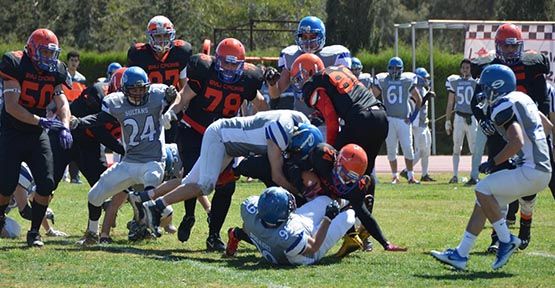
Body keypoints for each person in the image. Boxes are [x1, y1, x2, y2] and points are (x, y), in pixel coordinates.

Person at [131, 38, 268, 251]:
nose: (230, 68)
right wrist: (172, 112)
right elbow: (184, 97)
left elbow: (260, 104)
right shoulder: (205, 70)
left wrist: (261, 123)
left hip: (224, 139)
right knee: (196, 178)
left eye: (235, 64)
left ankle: (213, 235)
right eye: (226, 63)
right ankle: (186, 214)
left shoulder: (248, 80)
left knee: (226, 186)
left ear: (242, 64)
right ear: (217, 60)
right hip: (194, 131)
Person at [431, 64, 551, 270]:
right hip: (541, 169)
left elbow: (517, 141)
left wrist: (494, 161)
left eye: (486, 88)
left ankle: (506, 240)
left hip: (532, 171)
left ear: (497, 86)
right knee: (484, 202)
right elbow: (548, 128)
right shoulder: (524, 99)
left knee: (482, 188)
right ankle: (461, 254)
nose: (483, 93)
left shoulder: (502, 105)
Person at [142, 110, 311, 236]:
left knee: (189, 182)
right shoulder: (284, 127)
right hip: (221, 138)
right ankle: (156, 206)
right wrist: (300, 193)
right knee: (205, 186)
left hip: (229, 144)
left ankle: (152, 202)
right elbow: (277, 176)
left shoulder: (295, 120)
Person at [73, 66, 178, 245]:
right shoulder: (116, 103)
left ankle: (146, 223)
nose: (138, 93)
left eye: (141, 89)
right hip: (129, 162)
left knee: (151, 182)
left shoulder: (158, 94)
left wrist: (172, 99)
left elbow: (177, 102)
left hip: (153, 161)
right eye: (133, 89)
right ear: (124, 90)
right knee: (94, 196)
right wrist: (79, 122)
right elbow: (100, 119)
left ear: (147, 87)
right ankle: (92, 233)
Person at [471, 23, 551, 251]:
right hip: (500, 131)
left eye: (512, 47)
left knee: (530, 189)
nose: (509, 52)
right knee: (497, 185)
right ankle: (499, 237)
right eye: (504, 48)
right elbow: (476, 101)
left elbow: (543, 102)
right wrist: (483, 120)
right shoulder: (490, 68)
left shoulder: (531, 66)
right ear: (497, 47)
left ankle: (525, 227)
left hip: (527, 132)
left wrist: (539, 123)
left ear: (520, 46)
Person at [0, 28, 73, 247]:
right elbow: (12, 107)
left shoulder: (56, 70)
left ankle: (34, 233)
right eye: (45, 52)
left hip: (36, 134)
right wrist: (40, 121)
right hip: (12, 131)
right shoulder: (15, 62)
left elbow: (62, 102)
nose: (50, 58)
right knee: (5, 185)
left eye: (52, 53)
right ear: (32, 50)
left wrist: (66, 127)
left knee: (47, 183)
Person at [234, 186, 354, 265]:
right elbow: (314, 246)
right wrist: (327, 218)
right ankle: (358, 215)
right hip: (305, 254)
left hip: (292, 226)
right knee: (348, 216)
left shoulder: (252, 211)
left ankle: (351, 198)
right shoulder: (288, 235)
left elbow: (246, 227)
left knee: (325, 200)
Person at [265, 16, 351, 114]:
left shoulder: (334, 56)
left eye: (313, 36)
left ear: (322, 36)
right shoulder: (291, 56)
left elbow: (345, 94)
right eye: (304, 37)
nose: (308, 41)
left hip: (327, 117)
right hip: (301, 117)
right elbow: (275, 94)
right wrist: (272, 83)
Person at [127, 15, 192, 144]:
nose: (162, 40)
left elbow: (184, 85)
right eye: (158, 36)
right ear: (150, 37)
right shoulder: (139, 54)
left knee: (174, 145)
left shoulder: (181, 51)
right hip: (147, 104)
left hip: (172, 104)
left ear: (172, 36)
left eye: (165, 36)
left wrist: (183, 107)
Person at [372, 57, 422, 184]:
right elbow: (371, 97)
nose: (394, 71)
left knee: (408, 148)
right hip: (388, 119)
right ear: (388, 69)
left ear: (401, 69)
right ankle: (395, 176)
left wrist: (412, 117)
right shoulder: (383, 80)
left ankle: (411, 176)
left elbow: (419, 99)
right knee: (391, 149)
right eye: (392, 68)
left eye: (397, 68)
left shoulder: (407, 80)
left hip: (403, 120)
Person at [445, 59, 478, 184]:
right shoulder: (455, 82)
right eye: (463, 67)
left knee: (473, 147)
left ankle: (474, 175)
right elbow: (450, 102)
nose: (465, 70)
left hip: (472, 117)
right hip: (459, 117)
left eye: (467, 68)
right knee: (456, 147)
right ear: (460, 69)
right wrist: (448, 120)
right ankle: (454, 175)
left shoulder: (475, 82)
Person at [401, 67, 435, 182]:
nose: (426, 80)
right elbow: (418, 104)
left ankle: (425, 174)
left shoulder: (423, 89)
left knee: (426, 150)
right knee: (420, 150)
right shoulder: (414, 89)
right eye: (424, 78)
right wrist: (427, 97)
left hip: (423, 122)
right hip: (417, 123)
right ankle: (406, 170)